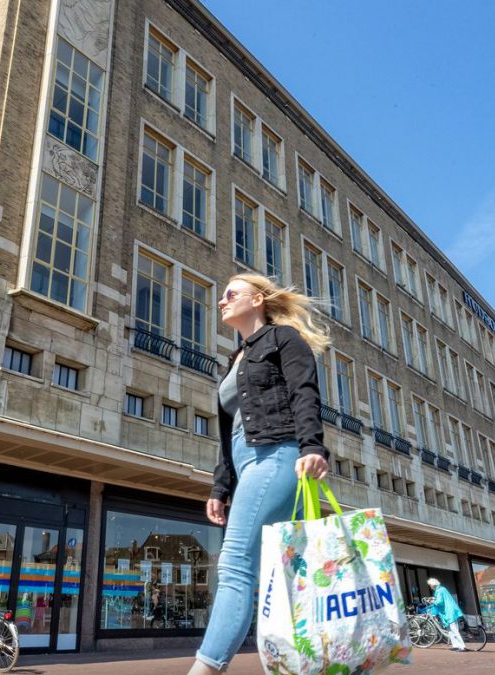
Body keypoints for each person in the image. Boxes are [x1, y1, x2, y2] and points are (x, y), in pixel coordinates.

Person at [188, 274, 331, 675]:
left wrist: (312, 447)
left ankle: (205, 670)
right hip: (245, 462)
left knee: (234, 564)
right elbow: (229, 431)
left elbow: (304, 392)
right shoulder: (235, 358)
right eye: (221, 296)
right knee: (272, 571)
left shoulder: (284, 339)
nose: (222, 301)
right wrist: (220, 487)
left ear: (259, 299)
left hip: (277, 454)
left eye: (230, 293)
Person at [426, 578, 468, 652]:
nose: (430, 587)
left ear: (433, 585)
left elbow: (439, 602)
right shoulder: (442, 589)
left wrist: (432, 601)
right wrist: (434, 599)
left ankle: (462, 646)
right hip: (450, 611)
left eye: (430, 585)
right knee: (450, 630)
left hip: (449, 612)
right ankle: (455, 645)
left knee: (454, 629)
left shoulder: (439, 591)